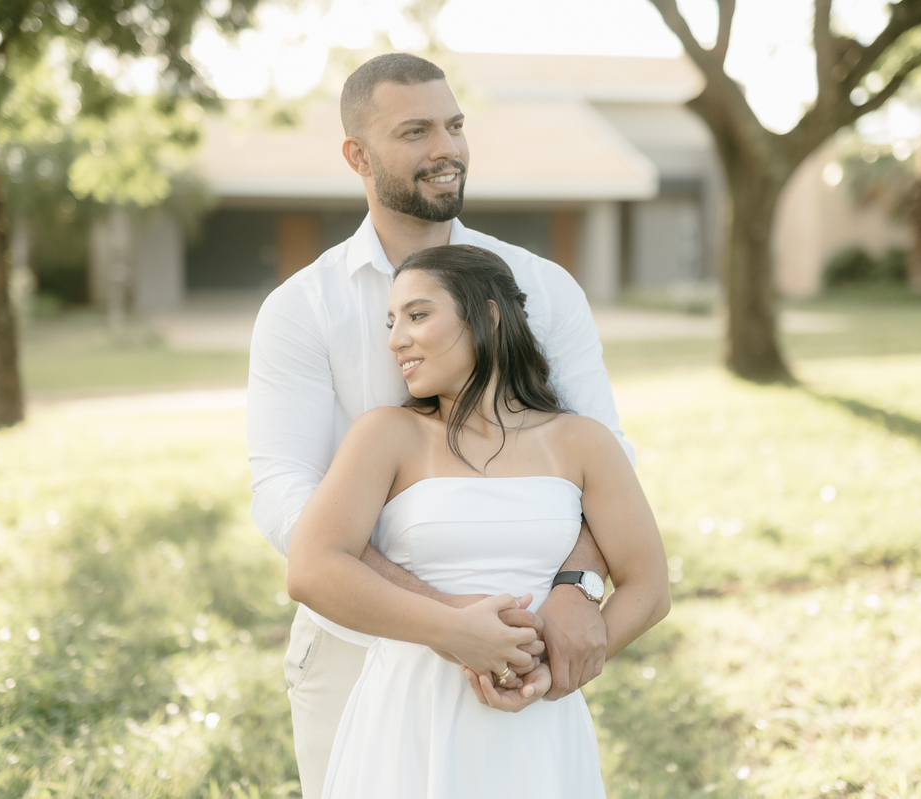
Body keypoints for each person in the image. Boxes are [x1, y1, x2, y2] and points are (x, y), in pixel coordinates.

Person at [247, 53, 633, 799]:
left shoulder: (541, 288)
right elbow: (282, 491)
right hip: (352, 646)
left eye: (454, 125)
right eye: (415, 131)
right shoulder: (302, 308)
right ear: (358, 156)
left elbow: (603, 455)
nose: (446, 148)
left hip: (523, 644)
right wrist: (440, 613)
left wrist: (575, 589)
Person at [286, 244, 670, 797]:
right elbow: (312, 568)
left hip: (539, 720)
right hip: (413, 714)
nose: (395, 340)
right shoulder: (387, 434)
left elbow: (649, 587)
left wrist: (557, 668)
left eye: (417, 315)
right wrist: (452, 630)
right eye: (391, 323)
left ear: (488, 316)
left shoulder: (582, 442)